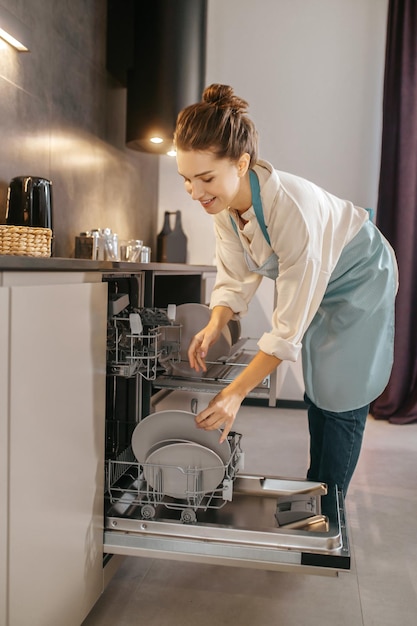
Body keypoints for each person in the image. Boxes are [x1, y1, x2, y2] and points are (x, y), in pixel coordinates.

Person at [173, 84, 398, 497]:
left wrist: (234, 393)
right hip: (322, 279)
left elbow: (287, 329)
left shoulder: (289, 209)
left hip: (362, 274)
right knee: (319, 379)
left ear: (241, 164)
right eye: (186, 179)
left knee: (342, 389)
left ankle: (331, 509)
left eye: (205, 178)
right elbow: (234, 274)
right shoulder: (224, 207)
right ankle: (319, 487)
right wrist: (215, 322)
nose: (196, 192)